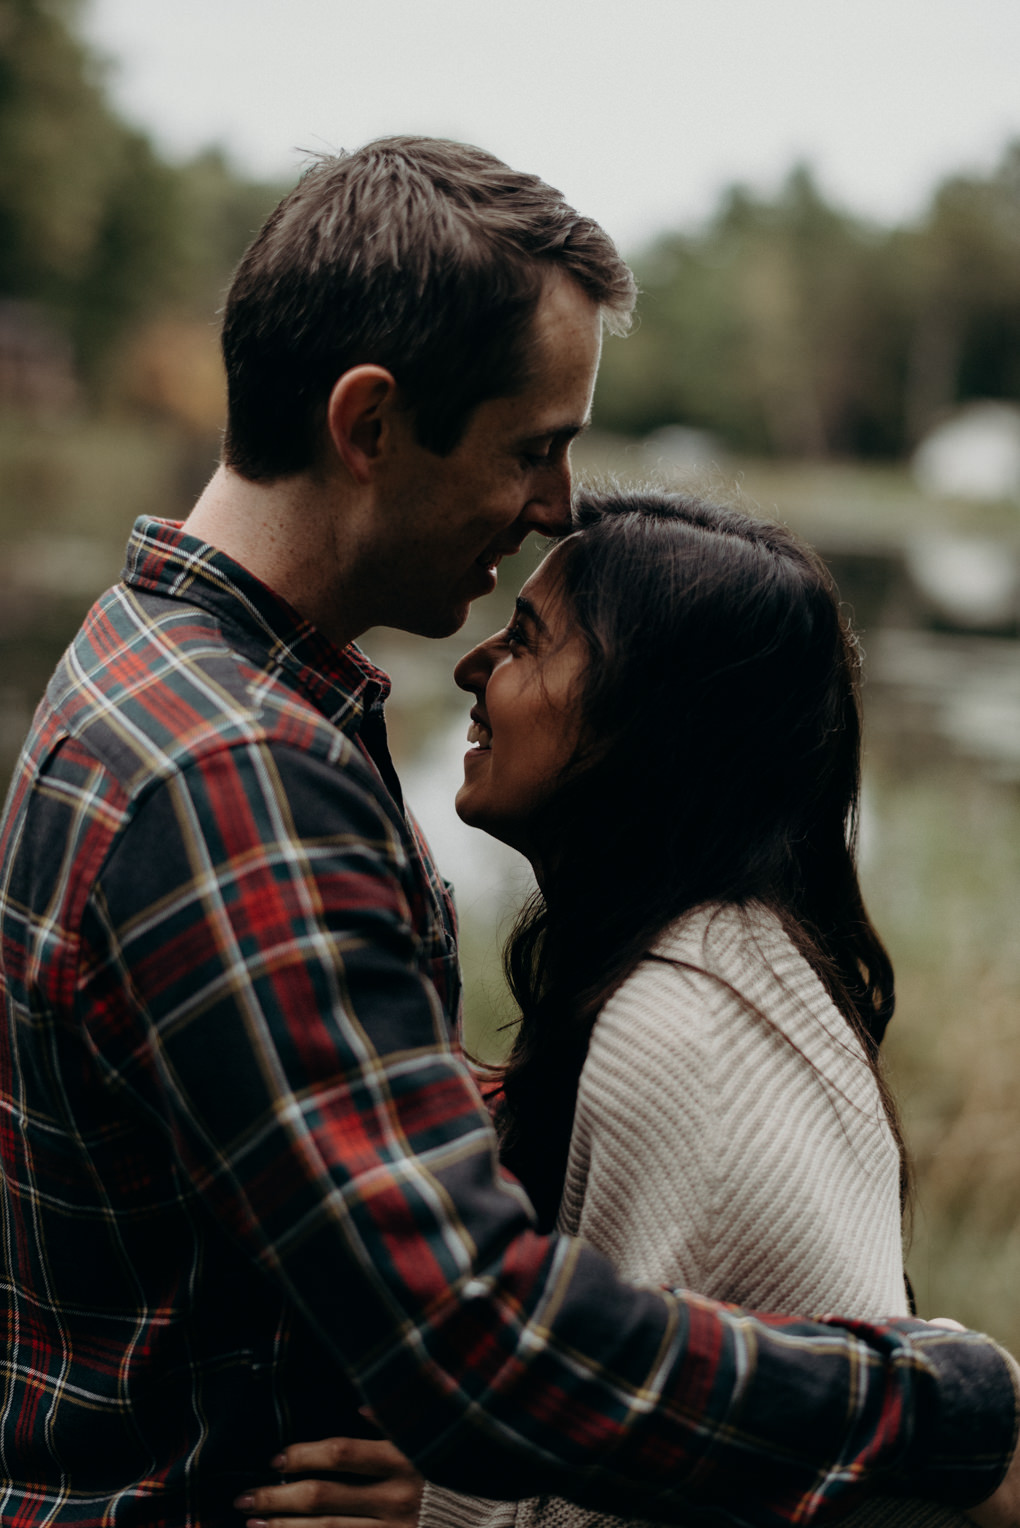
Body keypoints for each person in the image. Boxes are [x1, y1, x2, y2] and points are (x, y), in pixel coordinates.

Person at [0, 138, 1016, 1528]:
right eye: (534, 449)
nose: (560, 506)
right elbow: (473, 1343)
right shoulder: (235, 770)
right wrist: (940, 1410)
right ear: (368, 427)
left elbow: (271, 1113)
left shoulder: (159, 665)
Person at [237, 490, 1003, 1528]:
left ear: (655, 717)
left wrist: (448, 1511)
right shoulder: (736, 960)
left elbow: (663, 1471)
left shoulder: (681, 1026)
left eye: (530, 642)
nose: (475, 665)